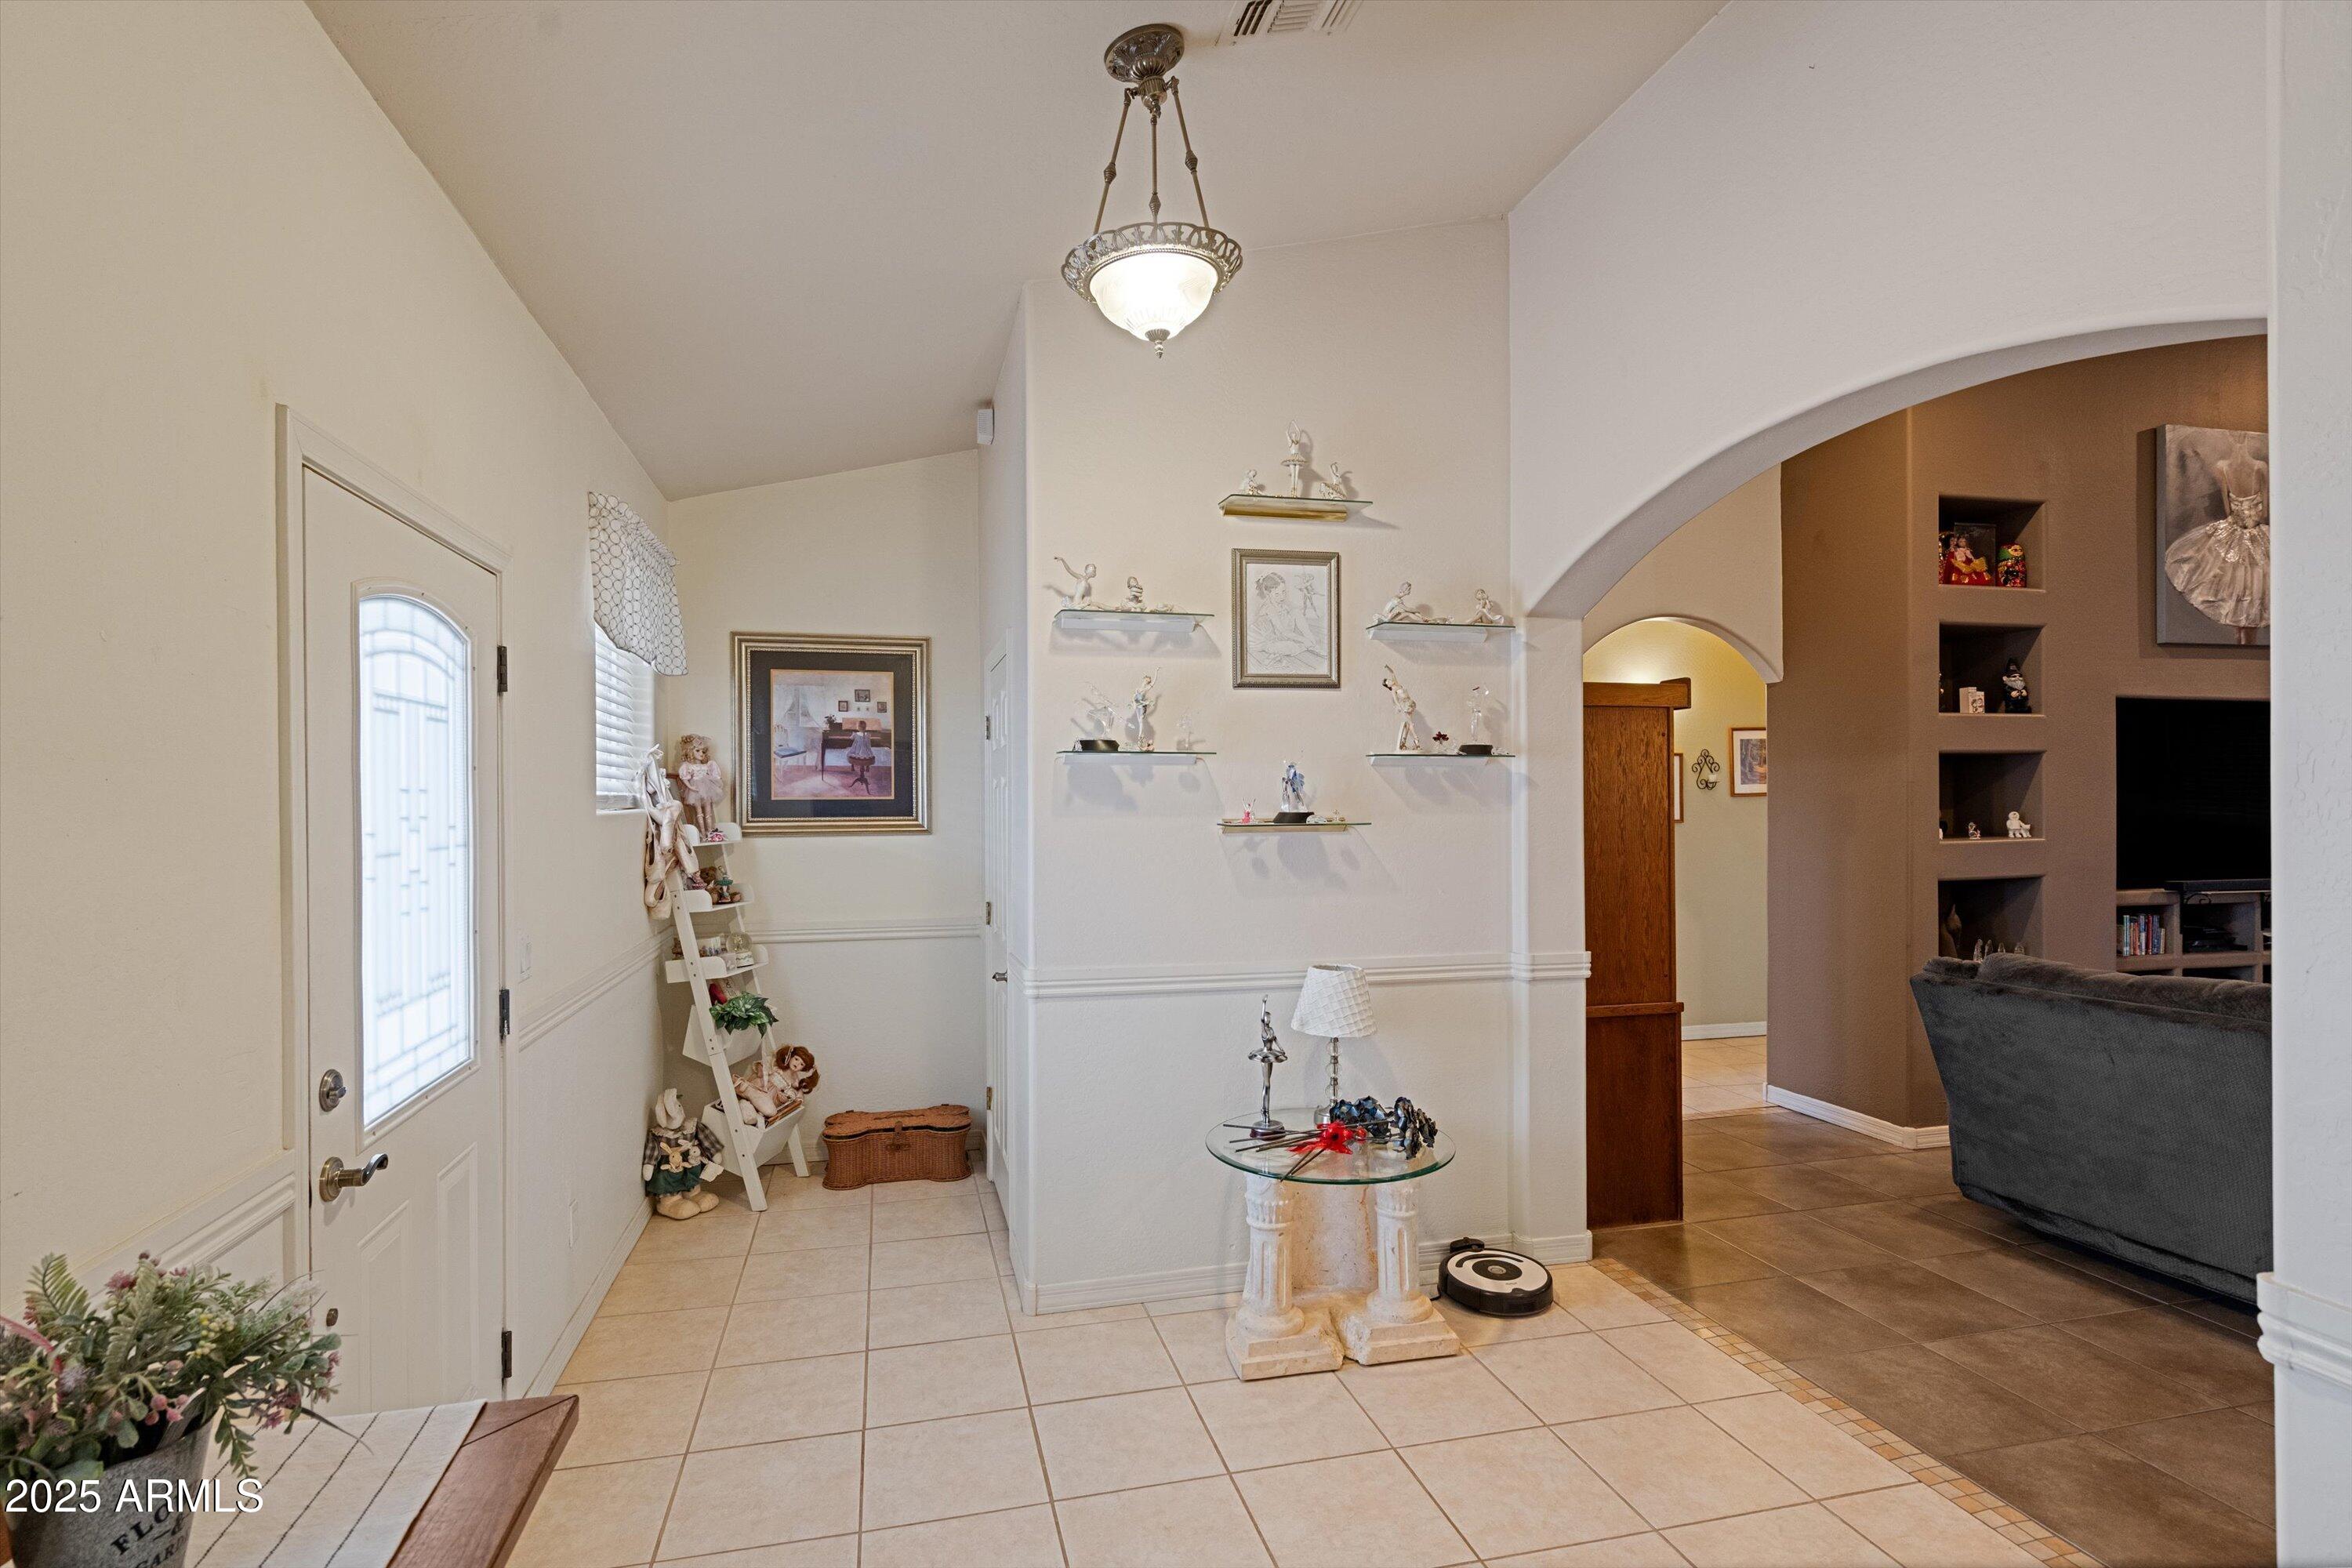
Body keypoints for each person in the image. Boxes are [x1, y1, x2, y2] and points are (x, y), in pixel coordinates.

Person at [845, 728, 877, 793]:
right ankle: (866, 768)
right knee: (865, 753)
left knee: (849, 753)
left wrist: (853, 733)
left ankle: (854, 767)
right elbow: (869, 745)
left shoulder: (855, 734)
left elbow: (851, 738)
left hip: (858, 755)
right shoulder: (868, 734)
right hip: (868, 755)